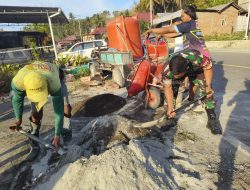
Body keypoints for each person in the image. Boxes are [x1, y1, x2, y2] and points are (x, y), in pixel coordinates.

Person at [11, 61, 72, 161]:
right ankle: (35, 145)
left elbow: (58, 111)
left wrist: (56, 135)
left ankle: (65, 130)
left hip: (54, 77)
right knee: (36, 115)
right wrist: (18, 119)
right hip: (32, 80)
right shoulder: (17, 82)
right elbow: (17, 101)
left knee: (66, 109)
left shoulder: (54, 82)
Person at [162, 49, 222, 135]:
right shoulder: (166, 69)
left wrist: (208, 86)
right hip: (180, 70)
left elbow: (208, 68)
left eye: (177, 75)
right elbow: (168, 89)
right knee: (172, 91)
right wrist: (170, 107)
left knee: (206, 91)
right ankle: (170, 118)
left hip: (196, 68)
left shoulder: (197, 57)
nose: (175, 77)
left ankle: (211, 119)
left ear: (186, 69)